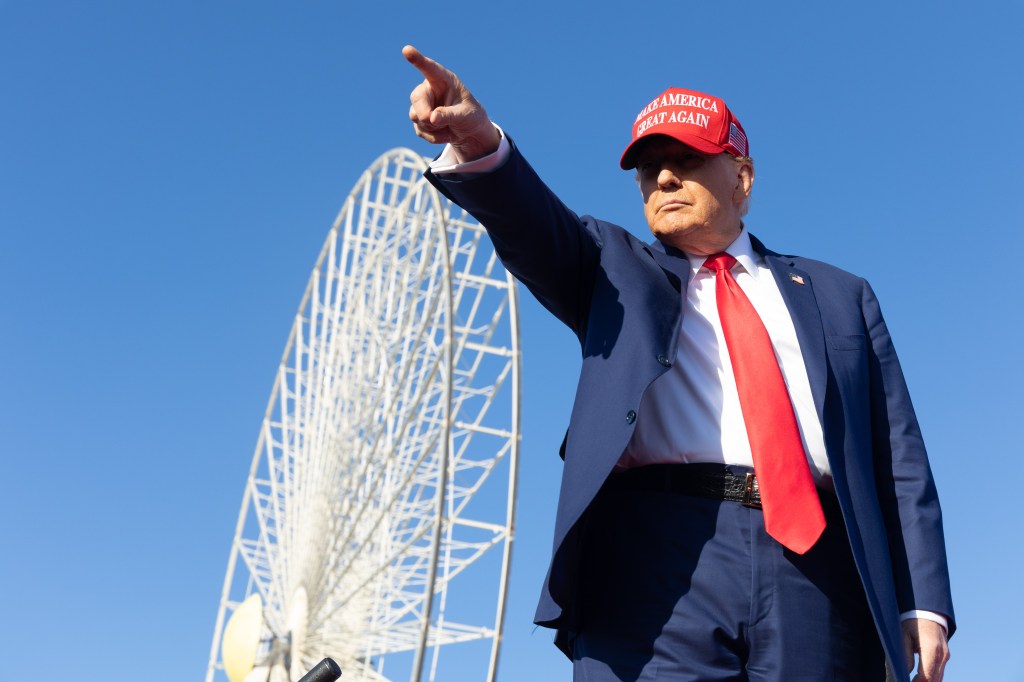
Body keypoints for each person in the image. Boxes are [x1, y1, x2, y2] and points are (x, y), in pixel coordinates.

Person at [402, 45, 954, 681]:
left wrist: (924, 598)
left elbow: (899, 456)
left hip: (820, 568)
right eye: (647, 168)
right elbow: (532, 222)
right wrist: (476, 140)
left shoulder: (841, 295)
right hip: (653, 563)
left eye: (685, 160)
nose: (662, 179)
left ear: (741, 177)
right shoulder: (609, 266)